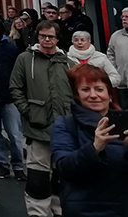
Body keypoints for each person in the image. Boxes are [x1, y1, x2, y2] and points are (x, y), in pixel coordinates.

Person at [10, 20, 75, 217]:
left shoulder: (68, 62)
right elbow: (15, 87)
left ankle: (58, 211)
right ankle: (38, 213)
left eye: (51, 36)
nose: (47, 40)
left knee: (60, 176)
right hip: (37, 128)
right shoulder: (24, 59)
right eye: (43, 36)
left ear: (57, 38)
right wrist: (28, 111)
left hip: (64, 129)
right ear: (37, 37)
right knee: (37, 178)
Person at [50, 63, 128, 217]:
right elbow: (65, 168)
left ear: (109, 94)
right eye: (85, 89)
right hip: (84, 209)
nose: (93, 95)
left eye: (99, 89)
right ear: (77, 95)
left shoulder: (124, 122)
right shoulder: (66, 124)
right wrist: (95, 148)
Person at [0, 17, 25, 181]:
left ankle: (18, 165)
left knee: (14, 134)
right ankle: (2, 165)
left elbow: (17, 71)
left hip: (9, 97)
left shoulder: (10, 48)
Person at [107, 7, 128, 108]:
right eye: (122, 17)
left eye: (127, 17)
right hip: (122, 83)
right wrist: (115, 71)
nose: (124, 19)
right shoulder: (116, 36)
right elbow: (110, 54)